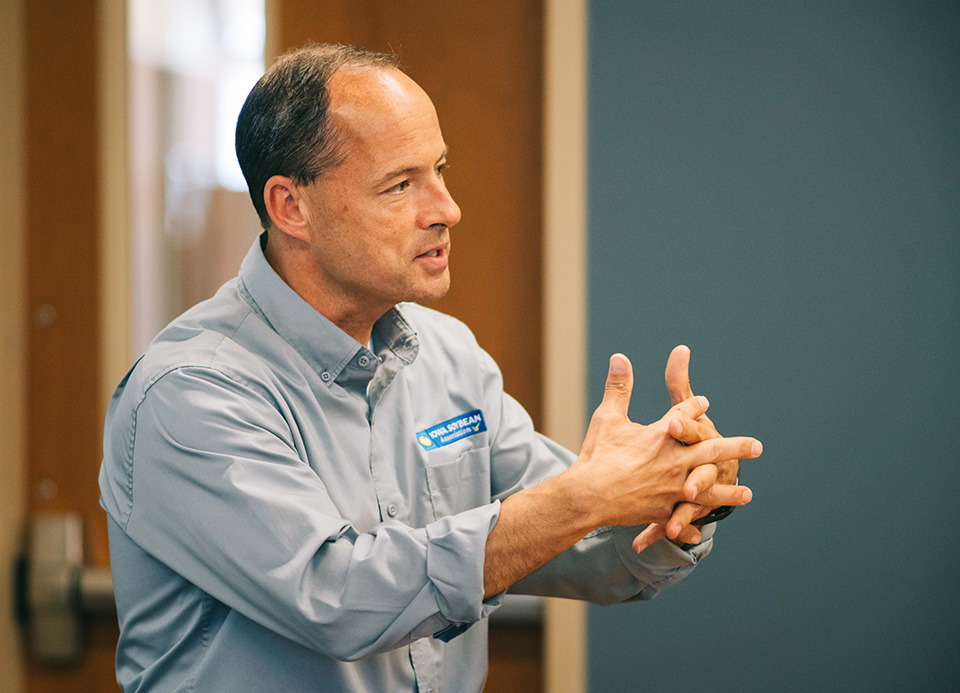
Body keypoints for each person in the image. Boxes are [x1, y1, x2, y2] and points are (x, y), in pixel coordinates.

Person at [99, 43, 762, 692]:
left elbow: (575, 546)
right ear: (290, 207)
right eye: (401, 184)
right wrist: (585, 495)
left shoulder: (447, 354)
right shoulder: (190, 391)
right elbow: (338, 597)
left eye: (439, 170)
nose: (447, 209)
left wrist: (676, 492)